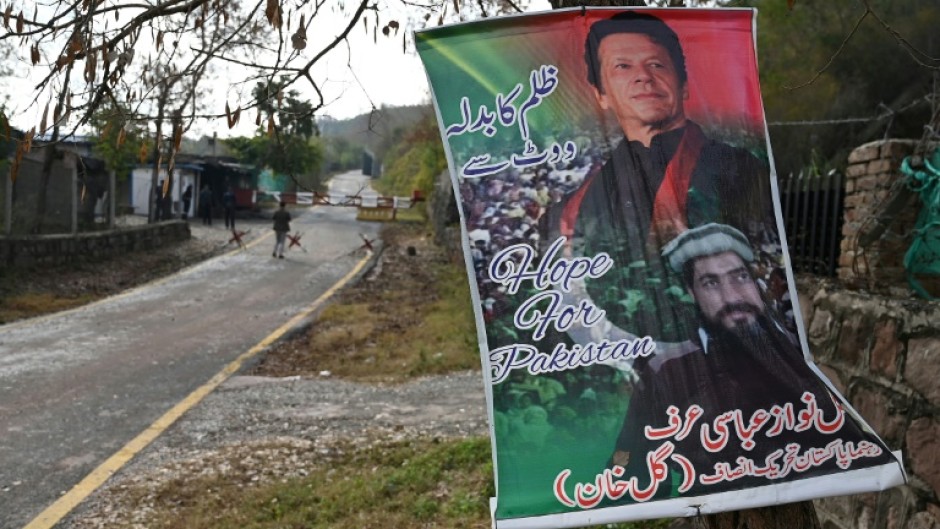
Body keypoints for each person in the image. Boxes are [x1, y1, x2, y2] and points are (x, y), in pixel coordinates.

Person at [608, 223, 894, 498]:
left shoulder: (796, 353)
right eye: (710, 283)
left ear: (756, 282)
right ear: (692, 293)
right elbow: (629, 474)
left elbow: (849, 444)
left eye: (740, 277)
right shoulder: (667, 371)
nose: (732, 296)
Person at [540, 11, 773, 344]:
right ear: (601, 95)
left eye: (657, 65)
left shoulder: (740, 170)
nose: (643, 78)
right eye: (623, 67)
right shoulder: (575, 208)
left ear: (684, 84)